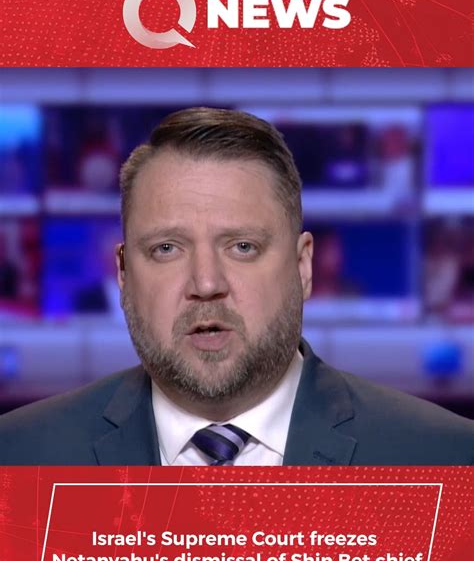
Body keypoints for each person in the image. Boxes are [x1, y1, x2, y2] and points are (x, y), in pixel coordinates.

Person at [0, 108, 472, 465]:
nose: (206, 284)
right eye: (167, 248)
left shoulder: (443, 456)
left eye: (243, 247)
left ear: (303, 267)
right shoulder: (20, 455)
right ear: (123, 276)